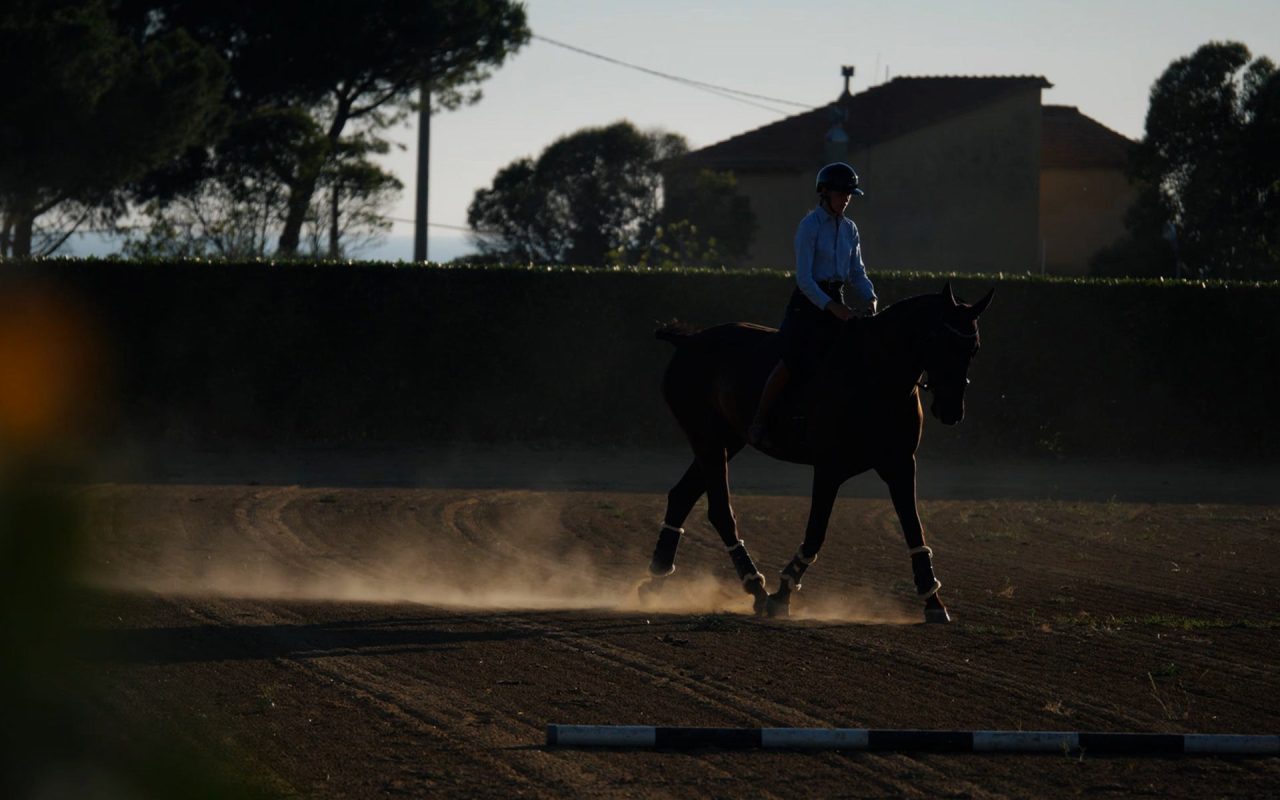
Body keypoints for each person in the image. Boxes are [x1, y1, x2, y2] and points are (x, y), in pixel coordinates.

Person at [747, 162, 877, 448]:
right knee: (793, 359)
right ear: (825, 192)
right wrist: (832, 307)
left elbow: (857, 272)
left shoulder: (851, 229)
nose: (846, 199)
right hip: (807, 304)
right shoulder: (809, 227)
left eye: (849, 194)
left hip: (836, 300)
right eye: (842, 193)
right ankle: (759, 420)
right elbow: (804, 280)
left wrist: (870, 296)